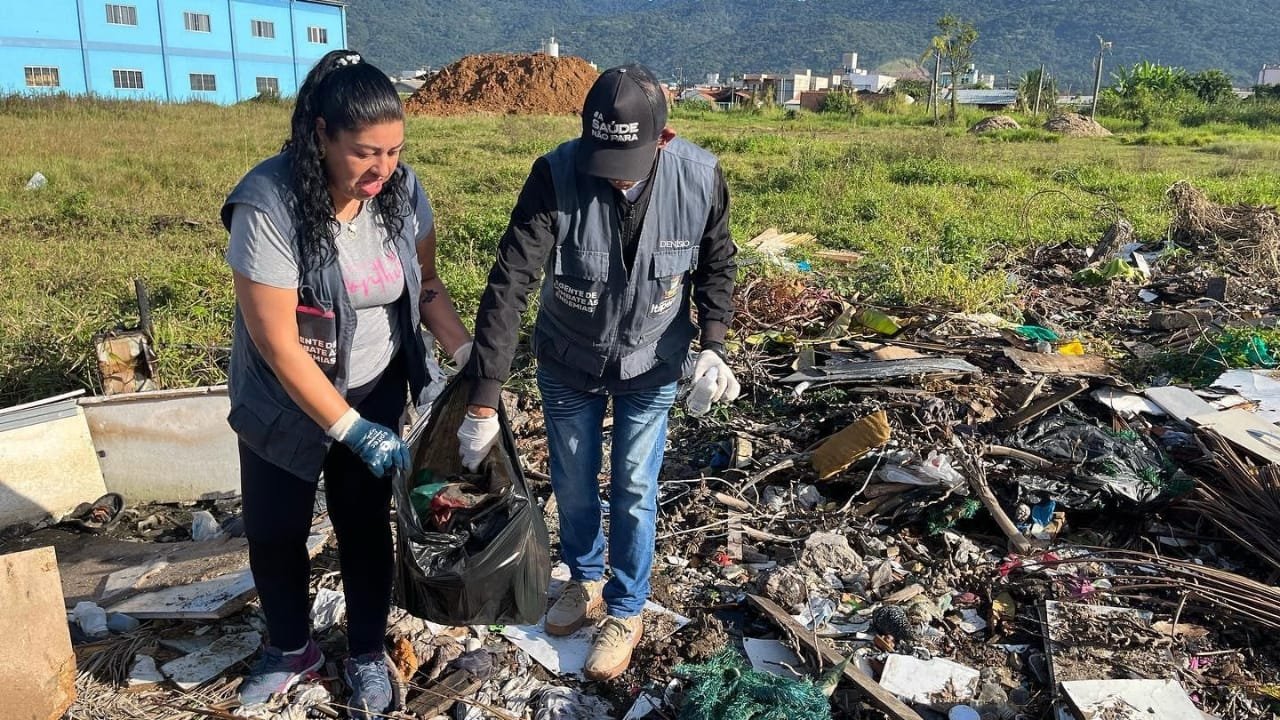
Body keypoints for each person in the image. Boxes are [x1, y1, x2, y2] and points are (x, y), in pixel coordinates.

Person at [457, 64, 739, 681]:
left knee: (635, 484)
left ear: (662, 141)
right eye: (601, 155)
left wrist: (713, 343)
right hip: (569, 356)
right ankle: (583, 581)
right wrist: (483, 398)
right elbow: (510, 284)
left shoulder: (700, 178)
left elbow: (717, 264)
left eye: (627, 159)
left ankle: (627, 607)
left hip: (654, 358)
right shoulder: (555, 175)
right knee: (575, 479)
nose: (611, 174)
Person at [221, 49, 471, 715]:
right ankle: (290, 647)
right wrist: (347, 428)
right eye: (364, 152)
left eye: (392, 151)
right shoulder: (269, 202)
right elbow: (276, 341)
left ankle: (364, 649)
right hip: (285, 398)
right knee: (276, 531)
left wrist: (466, 353)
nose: (380, 169)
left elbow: (429, 288)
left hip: (375, 383)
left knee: (364, 527)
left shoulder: (401, 192)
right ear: (321, 135)